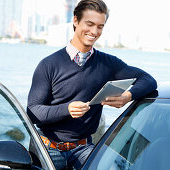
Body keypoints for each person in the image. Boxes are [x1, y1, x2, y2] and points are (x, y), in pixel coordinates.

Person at [27, 0, 157, 169]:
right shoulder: (48, 64)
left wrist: (127, 96)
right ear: (75, 21)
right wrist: (67, 109)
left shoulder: (108, 63)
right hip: (47, 148)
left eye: (100, 26)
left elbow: (148, 80)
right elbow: (33, 112)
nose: (94, 32)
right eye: (89, 24)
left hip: (83, 148)